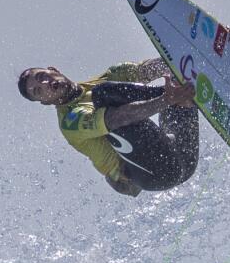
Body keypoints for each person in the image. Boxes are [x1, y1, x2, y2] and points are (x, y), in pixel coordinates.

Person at [17, 58, 202, 197]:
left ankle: (185, 96)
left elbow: (152, 69)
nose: (44, 84)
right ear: (44, 102)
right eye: (39, 91)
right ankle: (178, 96)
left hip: (182, 157)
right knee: (103, 94)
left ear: (53, 70)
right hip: (157, 173)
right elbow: (119, 119)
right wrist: (167, 99)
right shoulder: (70, 122)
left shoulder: (106, 78)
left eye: (42, 77)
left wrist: (205, 52)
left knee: (179, 78)